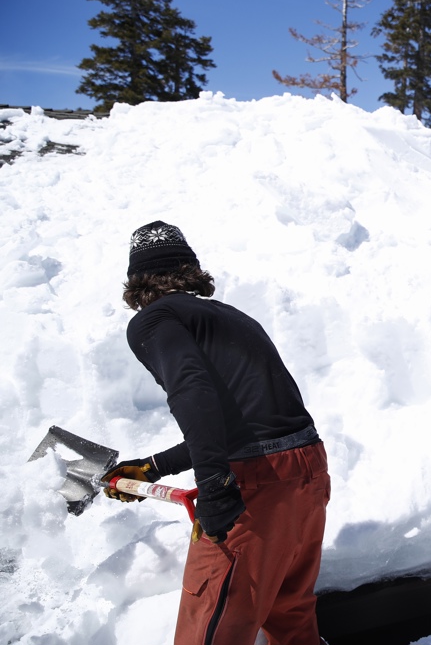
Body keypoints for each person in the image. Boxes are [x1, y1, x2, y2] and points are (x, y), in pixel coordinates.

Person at [102, 220, 330, 645]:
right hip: (308, 473)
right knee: (290, 614)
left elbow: (192, 391)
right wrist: (154, 467)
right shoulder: (231, 317)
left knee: (210, 628)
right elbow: (241, 419)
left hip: (255, 486)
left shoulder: (153, 320)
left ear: (136, 282)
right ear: (190, 269)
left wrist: (215, 483)